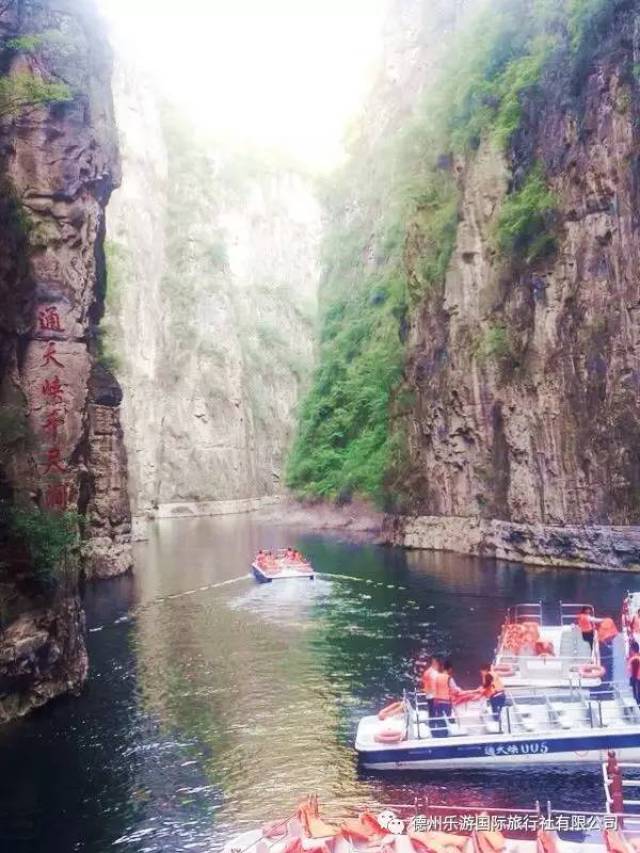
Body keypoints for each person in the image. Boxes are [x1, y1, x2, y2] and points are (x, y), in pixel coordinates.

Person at [432, 660, 461, 737]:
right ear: (450, 669)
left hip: (437, 702)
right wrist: (459, 690)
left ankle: (440, 734)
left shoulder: (436, 677)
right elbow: (454, 689)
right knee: (447, 719)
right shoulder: (449, 678)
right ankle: (445, 735)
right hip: (446, 702)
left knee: (440, 719)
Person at [628, 641, 640, 706]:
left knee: (637, 698)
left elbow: (634, 673)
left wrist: (631, 683)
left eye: (630, 649)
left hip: (637, 681)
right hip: (637, 681)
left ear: (632, 650)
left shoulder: (634, 659)